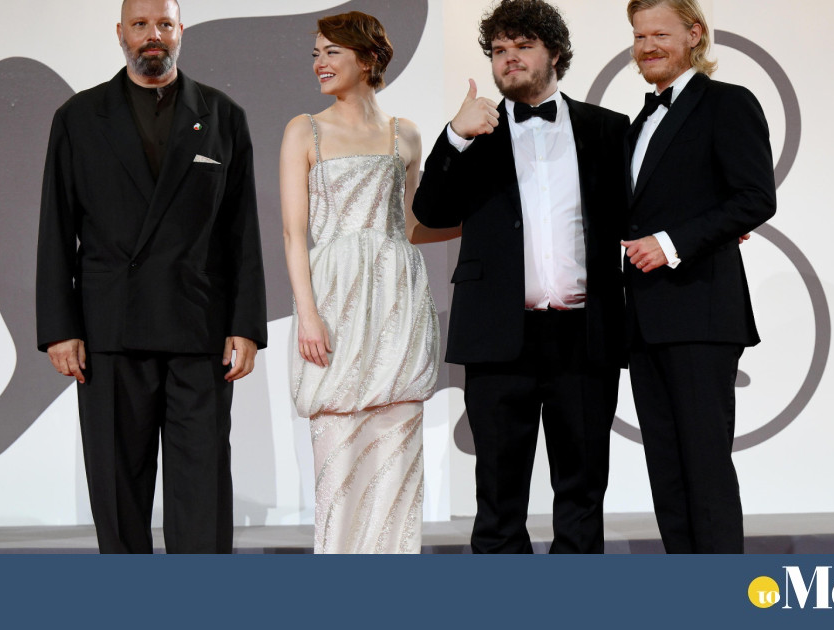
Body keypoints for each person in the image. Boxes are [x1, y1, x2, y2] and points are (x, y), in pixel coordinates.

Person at [35, 0, 267, 553]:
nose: (152, 35)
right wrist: (60, 328)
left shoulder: (222, 114)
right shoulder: (78, 117)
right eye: (140, 25)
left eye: (164, 24)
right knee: (118, 489)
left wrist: (246, 325)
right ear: (121, 33)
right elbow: (56, 227)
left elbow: (241, 231)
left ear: (180, 31)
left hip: (199, 327)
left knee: (203, 486)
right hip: (111, 328)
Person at [413, 0, 628, 553]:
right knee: (498, 492)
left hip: (584, 336)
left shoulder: (608, 129)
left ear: (554, 53)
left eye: (523, 46)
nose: (508, 57)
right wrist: (455, 136)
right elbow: (431, 212)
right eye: (498, 49)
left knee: (583, 488)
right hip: (497, 336)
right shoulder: (473, 133)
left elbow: (640, 209)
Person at [281, 11, 456, 554]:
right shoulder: (304, 129)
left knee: (396, 449)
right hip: (334, 302)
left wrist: (486, 219)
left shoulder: (406, 133)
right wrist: (308, 315)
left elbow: (412, 225)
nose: (320, 63)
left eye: (332, 51)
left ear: (368, 58)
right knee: (337, 454)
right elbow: (293, 234)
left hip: (397, 301)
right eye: (316, 53)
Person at [620, 0, 777, 553]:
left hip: (701, 313)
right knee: (667, 475)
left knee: (704, 471)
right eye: (639, 36)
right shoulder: (637, 123)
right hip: (644, 320)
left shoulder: (728, 103)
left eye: (660, 34)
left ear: (694, 34)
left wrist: (672, 243)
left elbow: (755, 197)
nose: (648, 47)